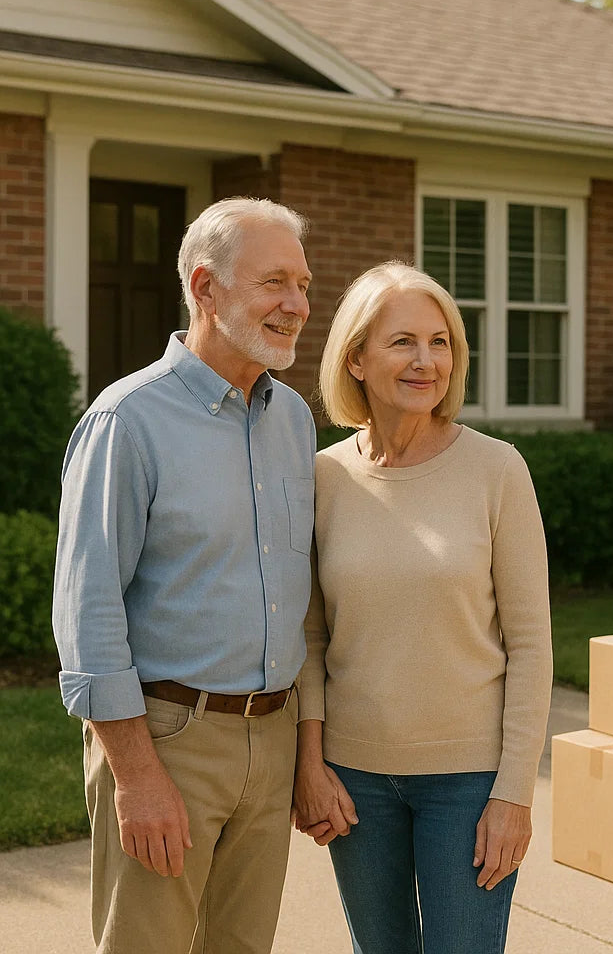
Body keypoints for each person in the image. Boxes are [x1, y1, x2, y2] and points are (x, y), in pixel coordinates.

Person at [52, 197, 316, 954]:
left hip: (271, 737)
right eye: (274, 284)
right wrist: (135, 777)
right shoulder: (126, 421)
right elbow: (88, 612)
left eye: (302, 285)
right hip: (167, 738)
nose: (296, 305)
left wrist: (298, 753)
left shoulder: (293, 419)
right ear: (205, 287)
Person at [291, 261, 553, 954]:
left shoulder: (497, 470)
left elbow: (531, 647)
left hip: (468, 785)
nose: (427, 360)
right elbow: (311, 639)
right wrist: (310, 767)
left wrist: (514, 795)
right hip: (354, 783)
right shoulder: (324, 477)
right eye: (403, 341)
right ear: (355, 358)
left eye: (441, 343)